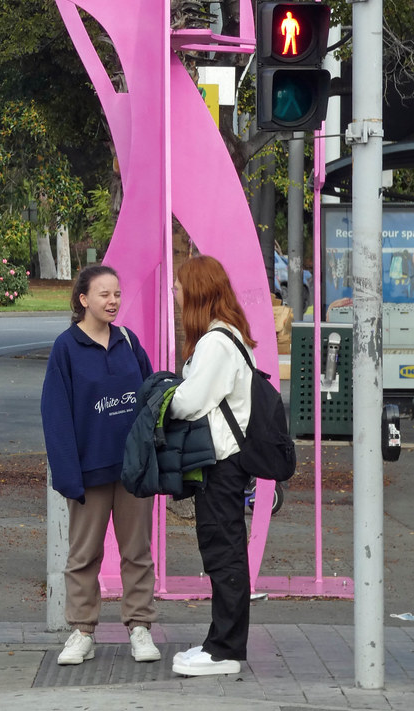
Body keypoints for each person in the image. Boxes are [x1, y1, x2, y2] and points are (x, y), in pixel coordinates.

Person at [40, 264, 160, 666]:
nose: (113, 301)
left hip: (131, 471)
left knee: (137, 552)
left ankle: (140, 627)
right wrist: (68, 475)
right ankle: (82, 631)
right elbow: (55, 415)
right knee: (84, 556)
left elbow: (149, 401)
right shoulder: (66, 348)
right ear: (83, 300)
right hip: (88, 473)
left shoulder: (128, 342)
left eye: (117, 294)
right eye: (104, 294)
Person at [169, 255, 255, 678]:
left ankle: (224, 649)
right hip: (227, 464)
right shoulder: (227, 336)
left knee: (223, 555)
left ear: (197, 292)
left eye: (180, 286)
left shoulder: (215, 343)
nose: (175, 293)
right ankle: (220, 643)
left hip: (221, 464)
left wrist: (164, 397)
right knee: (225, 552)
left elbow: (189, 401)